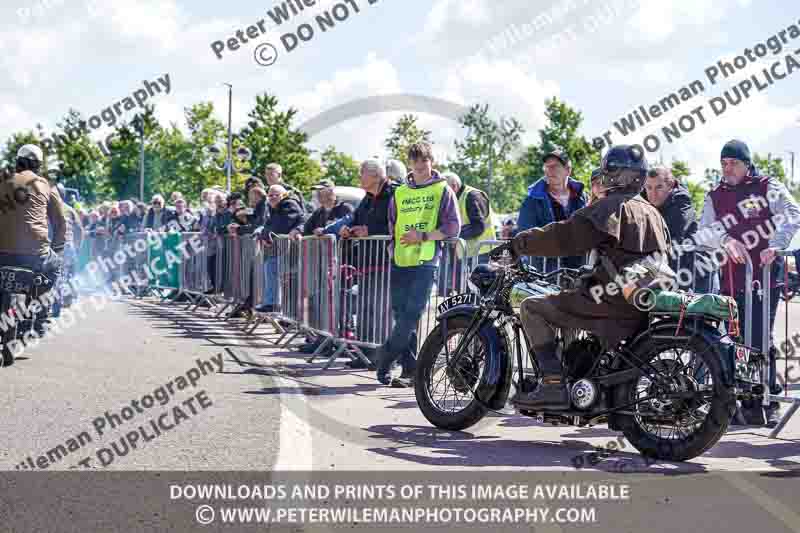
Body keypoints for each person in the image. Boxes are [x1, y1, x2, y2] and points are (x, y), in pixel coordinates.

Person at [501, 145, 670, 409]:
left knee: (531, 307)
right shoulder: (651, 212)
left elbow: (564, 236)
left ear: (614, 174)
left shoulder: (610, 207)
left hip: (607, 301)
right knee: (565, 303)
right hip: (640, 303)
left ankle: (553, 384)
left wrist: (518, 244)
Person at [696, 139, 800, 426]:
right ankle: (743, 400)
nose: (728, 168)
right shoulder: (715, 194)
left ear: (747, 164)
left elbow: (794, 213)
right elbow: (704, 231)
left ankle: (770, 399)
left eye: (734, 163)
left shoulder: (768, 186)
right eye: (724, 163)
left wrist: (776, 244)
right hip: (730, 279)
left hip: (765, 278)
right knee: (734, 341)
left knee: (759, 339)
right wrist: (726, 240)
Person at [378, 142, 462, 387]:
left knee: (412, 314)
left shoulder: (442, 189)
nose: (420, 166)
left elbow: (452, 227)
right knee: (401, 316)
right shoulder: (400, 192)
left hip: (426, 261)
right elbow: (392, 224)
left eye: (424, 161)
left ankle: (384, 359)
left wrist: (423, 236)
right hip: (400, 261)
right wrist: (393, 249)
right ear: (410, 164)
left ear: (431, 162)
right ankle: (411, 369)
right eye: (415, 162)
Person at [321, 159, 401, 368]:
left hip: (386, 261)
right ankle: (364, 352)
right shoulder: (367, 198)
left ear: (375, 175)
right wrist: (347, 230)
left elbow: (398, 225)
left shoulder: (395, 193)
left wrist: (371, 231)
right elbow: (356, 219)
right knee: (365, 308)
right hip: (367, 261)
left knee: (381, 310)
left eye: (361, 173)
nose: (359, 178)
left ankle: (382, 357)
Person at [0, 144, 67, 333]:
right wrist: (57, 249)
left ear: (17, 162)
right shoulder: (45, 184)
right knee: (55, 267)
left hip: (1, 253)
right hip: (34, 254)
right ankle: (40, 316)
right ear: (38, 165)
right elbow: (61, 223)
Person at [644, 166, 716, 294]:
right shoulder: (645, 201)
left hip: (692, 273)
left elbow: (672, 238)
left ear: (670, 185)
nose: (653, 193)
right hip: (671, 270)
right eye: (649, 187)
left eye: (659, 187)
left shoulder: (681, 202)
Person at [514, 146, 588, 272]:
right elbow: (525, 234)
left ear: (568, 170)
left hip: (577, 269)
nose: (549, 170)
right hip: (544, 271)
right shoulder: (532, 200)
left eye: (555, 166)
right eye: (547, 167)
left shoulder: (582, 196)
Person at [442, 171, 495, 294]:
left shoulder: (472, 196)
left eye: (445, 192)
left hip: (481, 252)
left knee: (480, 291)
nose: (443, 196)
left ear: (454, 186)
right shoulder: (457, 198)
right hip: (468, 253)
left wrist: (453, 234)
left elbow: (478, 227)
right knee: (468, 292)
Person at [256, 185, 305, 313]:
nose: (272, 198)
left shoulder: (289, 204)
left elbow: (281, 226)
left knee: (280, 274)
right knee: (270, 267)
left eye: (275, 195)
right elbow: (267, 226)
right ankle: (272, 303)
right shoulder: (275, 208)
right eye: (269, 195)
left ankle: (277, 306)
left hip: (294, 250)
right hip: (283, 250)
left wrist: (266, 235)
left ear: (283, 195)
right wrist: (264, 235)